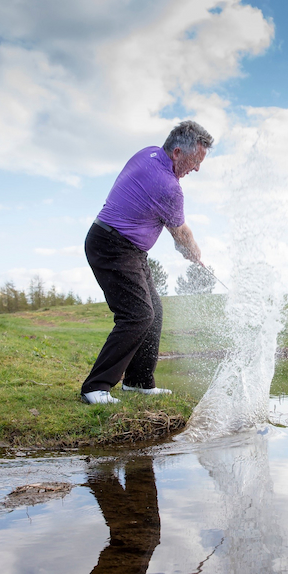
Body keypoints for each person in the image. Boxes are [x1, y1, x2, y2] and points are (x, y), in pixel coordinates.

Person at [81, 120, 213, 405]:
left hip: (126, 248)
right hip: (112, 246)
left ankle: (138, 382)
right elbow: (181, 234)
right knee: (137, 315)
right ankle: (95, 387)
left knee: (153, 313)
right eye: (195, 160)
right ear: (177, 152)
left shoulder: (150, 153)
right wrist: (195, 254)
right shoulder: (169, 186)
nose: (197, 169)